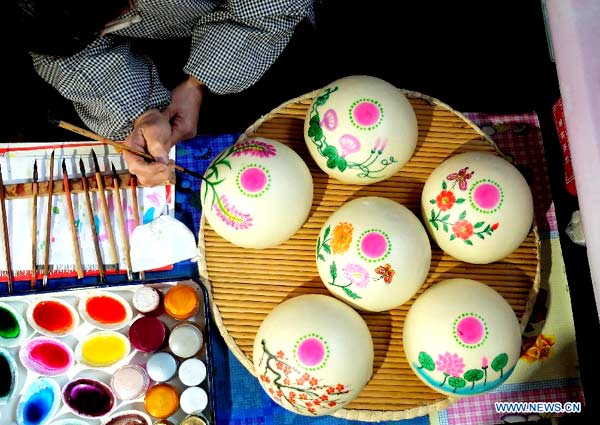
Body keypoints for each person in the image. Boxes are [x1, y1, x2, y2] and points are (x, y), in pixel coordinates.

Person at [13, 0, 315, 185]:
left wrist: (200, 78)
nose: (105, 30)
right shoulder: (43, 19)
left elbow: (272, 6)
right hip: (165, 42)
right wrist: (140, 113)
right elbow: (61, 54)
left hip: (267, 26)